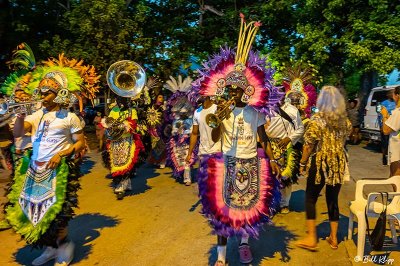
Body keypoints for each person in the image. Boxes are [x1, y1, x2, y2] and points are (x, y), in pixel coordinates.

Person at [190, 14, 282, 266]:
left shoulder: (254, 112)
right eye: (229, 90)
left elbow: (263, 137)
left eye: (236, 90)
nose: (232, 93)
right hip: (225, 161)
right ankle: (220, 257)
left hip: (250, 163)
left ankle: (243, 244)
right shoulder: (221, 111)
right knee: (221, 212)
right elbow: (216, 137)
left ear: (246, 90)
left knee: (246, 209)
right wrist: (218, 121)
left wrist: (272, 159)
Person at [4, 53, 100, 266]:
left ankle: (65, 246)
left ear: (57, 94)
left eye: (47, 92)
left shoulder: (70, 117)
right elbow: (19, 134)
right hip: (36, 169)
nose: (42, 95)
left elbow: (80, 144)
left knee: (59, 213)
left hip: (61, 168)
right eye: (41, 91)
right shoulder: (35, 115)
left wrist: (61, 154)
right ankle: (50, 248)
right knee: (38, 211)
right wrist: (19, 117)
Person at [296, 85, 352, 251]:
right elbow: (345, 140)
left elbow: (308, 146)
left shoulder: (317, 120)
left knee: (311, 197)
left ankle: (312, 238)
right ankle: (334, 238)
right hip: (338, 163)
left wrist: (302, 163)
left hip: (321, 162)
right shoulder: (345, 121)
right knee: (332, 199)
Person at [265, 99, 304, 214]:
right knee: (268, 177)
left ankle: (284, 204)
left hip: (287, 147)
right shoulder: (265, 108)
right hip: (268, 146)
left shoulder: (292, 110)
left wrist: (289, 138)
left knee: (286, 178)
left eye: (280, 94)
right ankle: (269, 204)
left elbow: (300, 128)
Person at [382, 86, 400, 177]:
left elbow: (385, 130)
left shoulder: (398, 112)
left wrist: (385, 116)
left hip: (397, 151)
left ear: (397, 96)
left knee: (395, 176)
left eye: (393, 94)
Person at [379, 89, 396, 165]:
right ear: (388, 95)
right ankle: (384, 156)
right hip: (385, 126)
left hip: (393, 126)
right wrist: (381, 126)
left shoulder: (396, 103)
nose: (393, 95)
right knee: (385, 143)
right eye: (392, 93)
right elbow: (380, 115)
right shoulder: (383, 103)